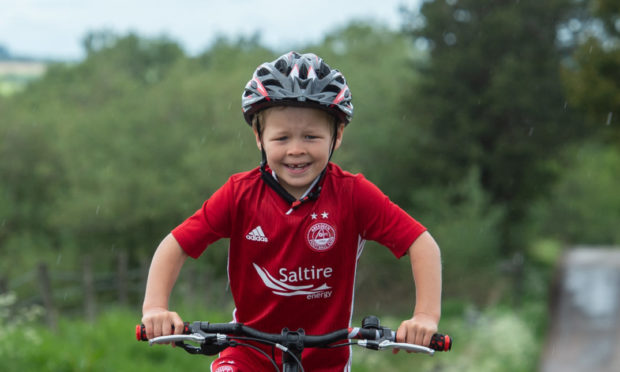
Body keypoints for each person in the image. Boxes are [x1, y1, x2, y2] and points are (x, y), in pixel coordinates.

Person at [141, 51, 442, 372]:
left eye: (311, 136)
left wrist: (424, 316)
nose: (296, 149)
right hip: (249, 353)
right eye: (282, 137)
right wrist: (156, 309)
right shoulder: (238, 194)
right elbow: (176, 245)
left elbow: (421, 244)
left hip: (327, 360)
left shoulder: (354, 194)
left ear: (337, 135)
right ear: (259, 137)